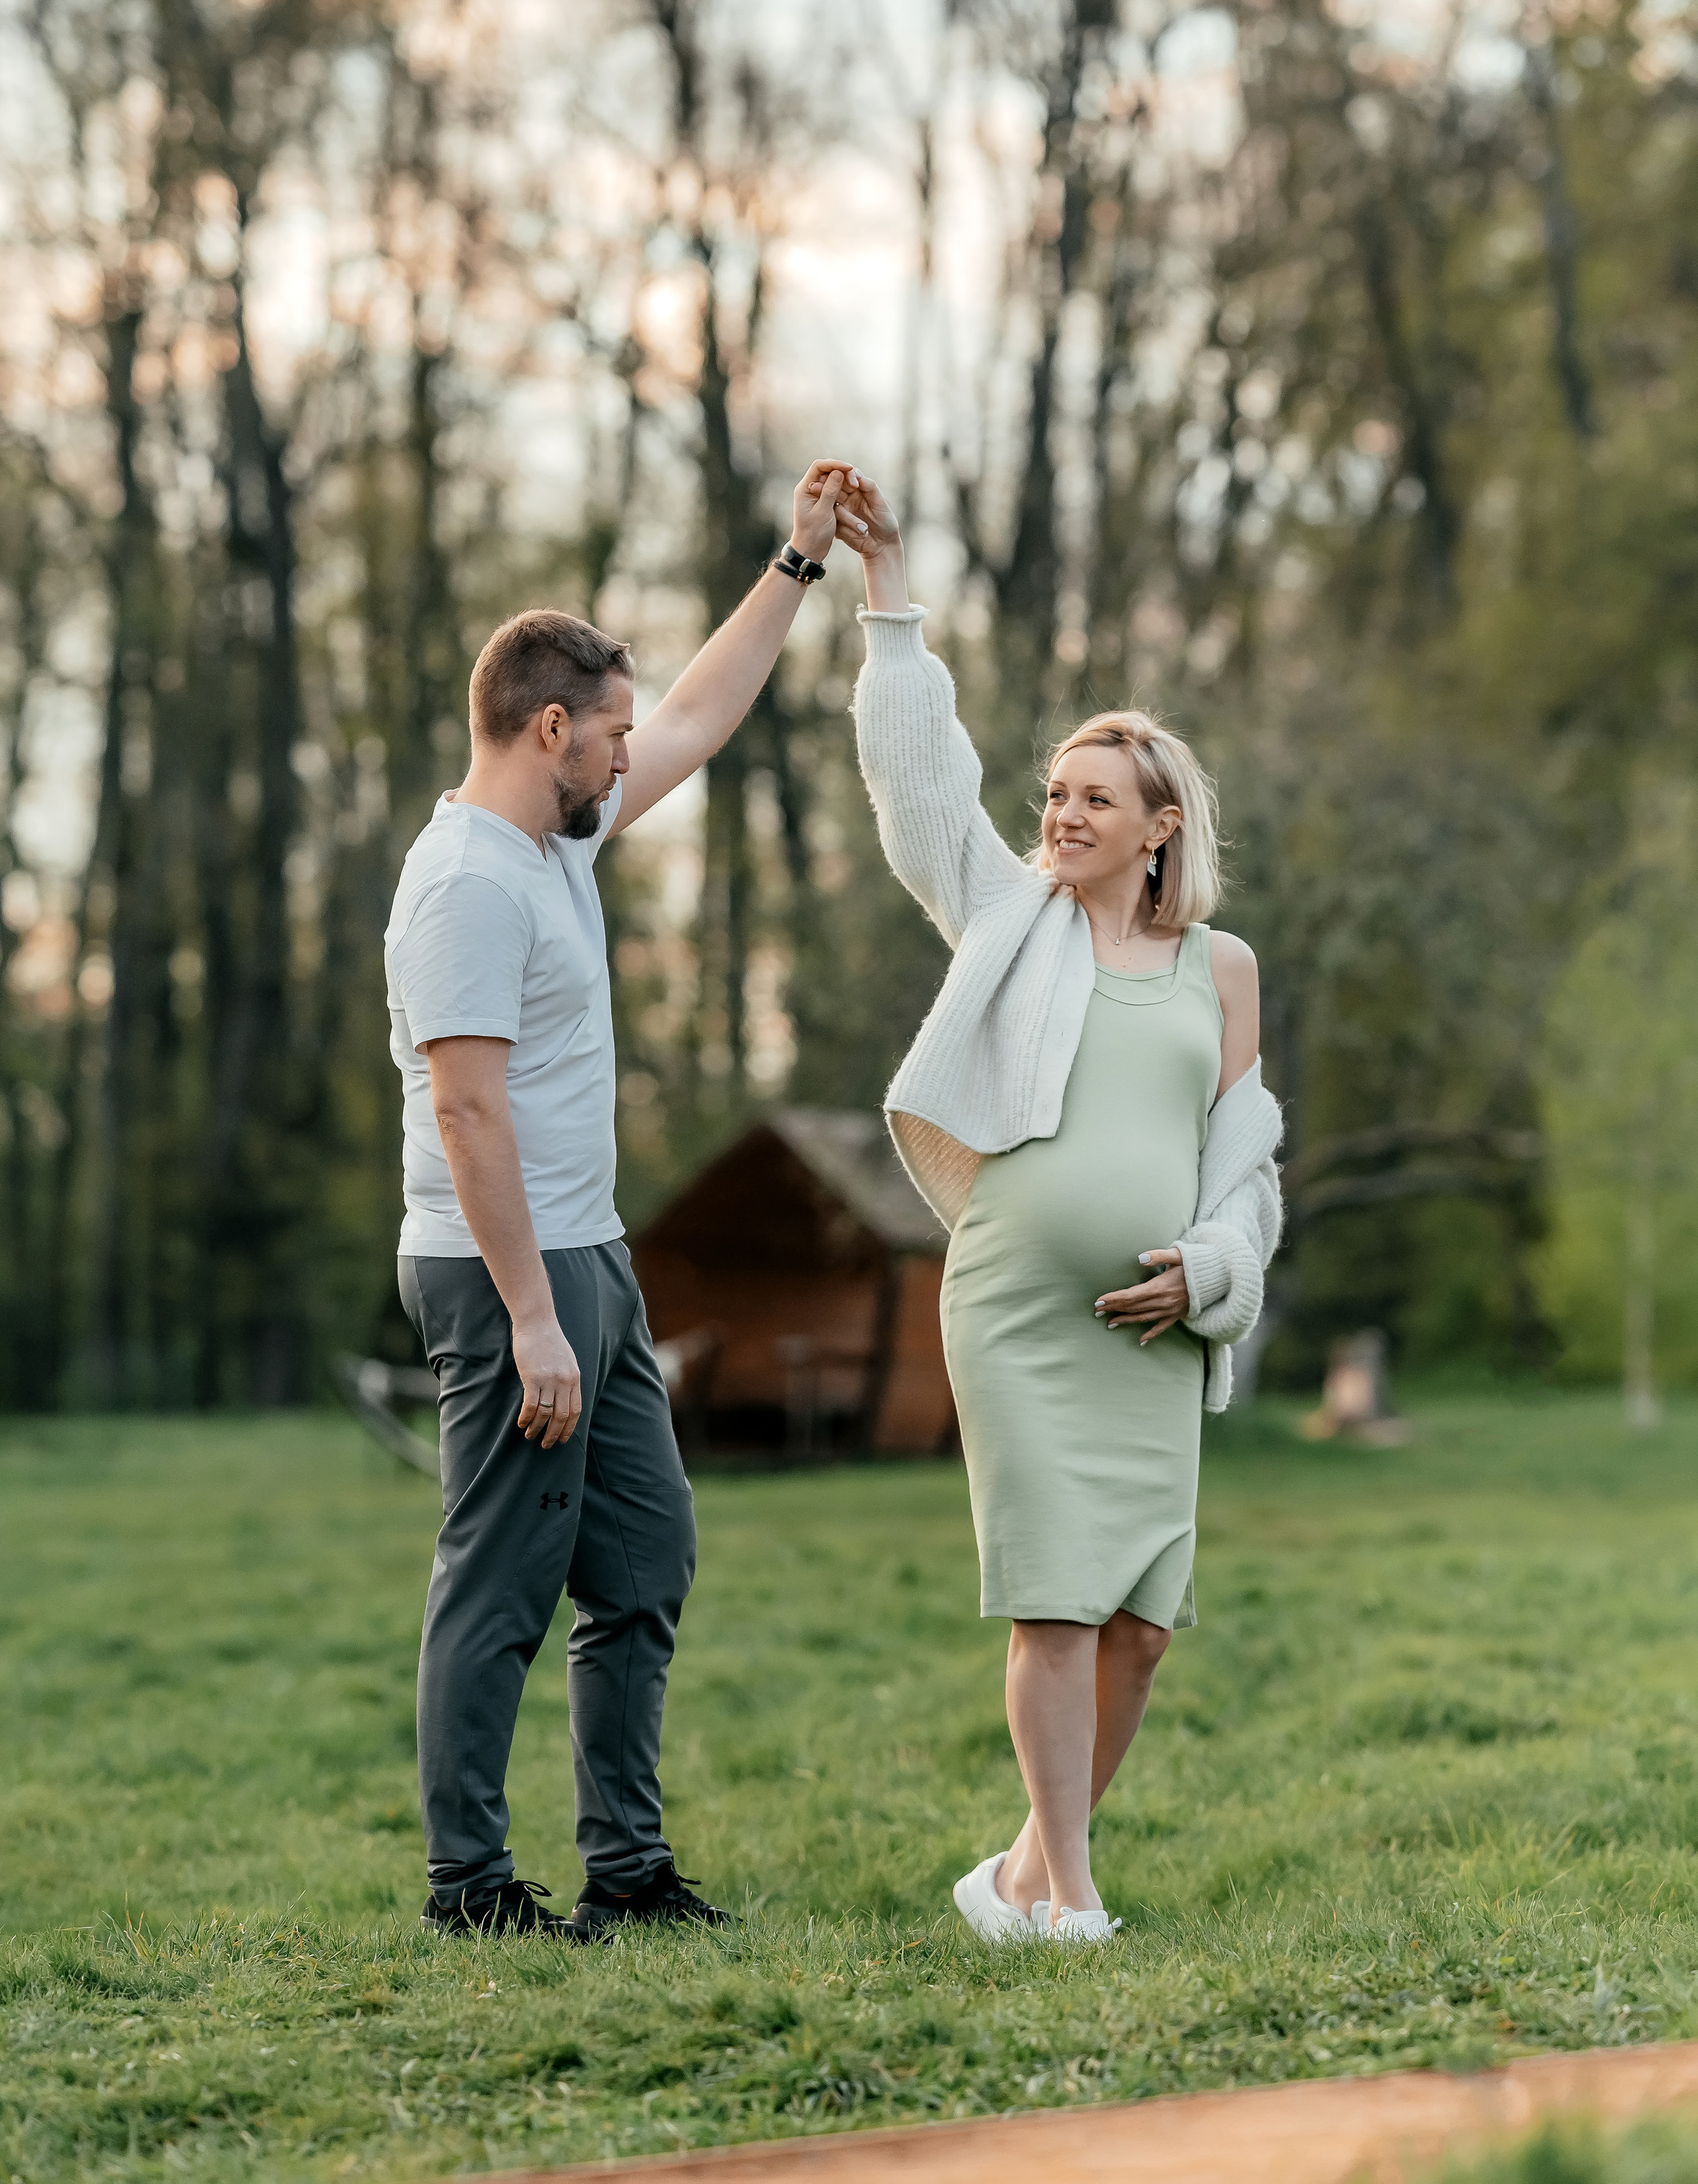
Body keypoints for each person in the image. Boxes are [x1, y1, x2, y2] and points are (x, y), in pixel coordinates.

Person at [386, 462, 860, 1941]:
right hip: (496, 1271)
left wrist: (795, 563)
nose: (624, 751)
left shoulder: (561, 837)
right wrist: (531, 1317)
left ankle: (629, 1872)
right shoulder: (465, 880)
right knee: (500, 1583)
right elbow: (465, 1109)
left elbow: (706, 714)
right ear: (547, 730)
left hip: (590, 1258)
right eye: (604, 730)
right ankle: (470, 1887)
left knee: (642, 1563)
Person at [820, 466, 1282, 1945]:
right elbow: (917, 784)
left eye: (1094, 797)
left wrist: (1208, 1272)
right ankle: (1071, 1898)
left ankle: (1020, 1872)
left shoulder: (1221, 967)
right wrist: (887, 598)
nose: (1061, 814)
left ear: (1158, 826)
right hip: (1020, 1306)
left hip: (1151, 1334)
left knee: (1139, 1626)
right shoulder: (1006, 920)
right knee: (1055, 1605)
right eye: (1054, 796)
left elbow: (1246, 1161)